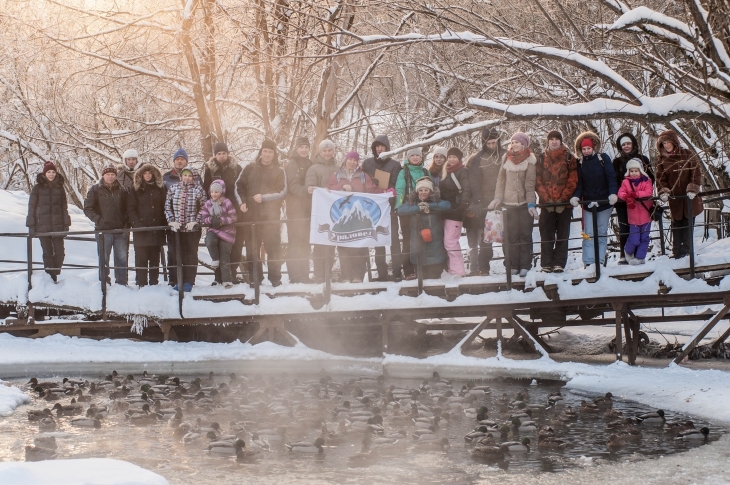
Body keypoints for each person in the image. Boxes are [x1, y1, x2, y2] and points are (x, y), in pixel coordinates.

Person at [327, 151, 384, 283]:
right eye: (350, 159)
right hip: (342, 216)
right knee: (343, 246)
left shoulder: (363, 176)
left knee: (360, 245)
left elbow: (372, 190)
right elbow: (328, 189)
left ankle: (358, 276)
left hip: (360, 215)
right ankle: (346, 276)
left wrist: (386, 192)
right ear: (345, 160)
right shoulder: (337, 175)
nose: (352, 162)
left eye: (355, 160)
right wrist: (342, 186)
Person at [237, 138, 287, 287]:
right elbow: (239, 186)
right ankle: (255, 278)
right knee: (252, 248)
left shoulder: (279, 171)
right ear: (261, 152)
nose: (267, 154)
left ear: (274, 154)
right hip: (251, 216)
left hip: (271, 217)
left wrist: (264, 198)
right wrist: (242, 202)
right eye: (265, 151)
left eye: (270, 152)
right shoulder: (250, 168)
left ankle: (275, 278)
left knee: (273, 248)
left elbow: (283, 191)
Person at [488, 132, 538, 277]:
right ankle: (512, 265)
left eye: (518, 142)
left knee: (525, 235)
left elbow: (530, 184)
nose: (515, 144)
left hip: (523, 204)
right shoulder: (506, 158)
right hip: (508, 205)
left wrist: (531, 204)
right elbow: (500, 180)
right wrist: (497, 197)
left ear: (524, 144)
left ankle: (525, 265)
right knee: (511, 236)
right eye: (513, 142)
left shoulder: (530, 160)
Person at [570, 132, 618, 267]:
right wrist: (576, 196)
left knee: (602, 232)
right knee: (587, 233)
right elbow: (580, 183)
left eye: (588, 148)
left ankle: (600, 260)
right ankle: (589, 261)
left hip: (605, 202)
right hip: (588, 203)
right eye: (583, 149)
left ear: (593, 147)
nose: (586, 151)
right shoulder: (580, 163)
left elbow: (611, 177)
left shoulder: (603, 158)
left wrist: (613, 193)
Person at [655, 130, 703, 259]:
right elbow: (661, 179)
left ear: (674, 142)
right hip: (675, 199)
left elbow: (696, 173)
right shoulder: (662, 160)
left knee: (688, 225)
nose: (666, 145)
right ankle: (676, 253)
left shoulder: (687, 154)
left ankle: (687, 254)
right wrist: (664, 191)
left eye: (668, 142)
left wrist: (693, 188)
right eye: (663, 143)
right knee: (676, 225)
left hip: (689, 198)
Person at [535, 131, 578, 273]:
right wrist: (546, 200)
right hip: (546, 204)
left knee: (562, 234)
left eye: (556, 139)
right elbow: (537, 180)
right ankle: (546, 264)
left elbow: (573, 180)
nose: (554, 142)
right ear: (548, 141)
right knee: (546, 234)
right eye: (551, 139)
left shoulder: (569, 158)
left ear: (561, 141)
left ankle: (559, 263)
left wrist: (562, 199)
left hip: (564, 205)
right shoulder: (541, 159)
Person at [362, 135, 402, 281]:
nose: (379, 149)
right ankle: (382, 273)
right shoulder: (367, 163)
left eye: (382, 146)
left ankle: (397, 272)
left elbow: (396, 184)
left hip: (389, 206)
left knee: (394, 240)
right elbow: (361, 180)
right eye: (377, 146)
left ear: (387, 148)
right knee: (377, 239)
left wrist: (389, 191)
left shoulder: (395, 164)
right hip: (373, 207)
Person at [83, 162, 130, 286]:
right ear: (103, 175)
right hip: (103, 230)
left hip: (120, 230)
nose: (110, 177)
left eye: (113, 174)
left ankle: (122, 283)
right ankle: (104, 283)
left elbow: (128, 208)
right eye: (108, 174)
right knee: (104, 258)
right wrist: (99, 220)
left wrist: (125, 220)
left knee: (122, 258)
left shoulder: (122, 190)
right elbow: (88, 208)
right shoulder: (95, 190)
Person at [204, 142, 244, 284]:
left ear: (228, 154)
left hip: (233, 211)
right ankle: (218, 278)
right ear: (215, 155)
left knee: (233, 245)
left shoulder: (236, 168)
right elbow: (206, 190)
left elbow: (241, 187)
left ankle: (231, 275)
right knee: (216, 243)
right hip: (216, 211)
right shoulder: (210, 169)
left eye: (224, 153)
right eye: (219, 154)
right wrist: (210, 212)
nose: (221, 156)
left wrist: (239, 208)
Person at [467, 127, 505, 276]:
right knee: (486, 237)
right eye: (488, 143)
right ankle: (484, 268)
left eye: (493, 142)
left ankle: (510, 265)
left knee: (507, 234)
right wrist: (477, 201)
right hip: (485, 202)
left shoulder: (504, 155)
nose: (491, 146)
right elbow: (474, 181)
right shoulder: (478, 158)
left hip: (503, 199)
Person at [396, 177, 451, 279]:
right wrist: (418, 208)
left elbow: (447, 205)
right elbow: (400, 210)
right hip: (418, 239)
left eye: (426, 190)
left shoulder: (437, 201)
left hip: (435, 239)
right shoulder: (412, 202)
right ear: (417, 192)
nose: (423, 192)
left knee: (435, 273)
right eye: (420, 190)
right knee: (421, 271)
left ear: (430, 191)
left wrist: (430, 206)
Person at [612, 133, 654, 264]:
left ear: (633, 144)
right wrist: (622, 195)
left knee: (642, 228)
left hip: (641, 202)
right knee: (624, 226)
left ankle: (638, 256)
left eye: (628, 143)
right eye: (623, 144)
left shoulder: (644, 159)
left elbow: (651, 179)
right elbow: (614, 180)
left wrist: (639, 194)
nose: (626, 146)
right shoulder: (617, 162)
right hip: (623, 200)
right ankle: (624, 255)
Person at [162, 148, 202, 287]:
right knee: (175, 253)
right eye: (184, 175)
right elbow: (167, 205)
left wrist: (196, 221)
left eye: (189, 175)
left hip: (192, 229)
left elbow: (204, 206)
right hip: (176, 228)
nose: (187, 178)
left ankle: (189, 281)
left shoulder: (198, 189)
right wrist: (171, 220)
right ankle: (175, 280)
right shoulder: (173, 188)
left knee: (190, 254)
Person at [26, 161, 71, 283]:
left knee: (60, 253)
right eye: (49, 172)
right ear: (44, 173)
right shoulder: (37, 188)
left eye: (53, 172)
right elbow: (32, 207)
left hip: (58, 225)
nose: (51, 174)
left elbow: (64, 207)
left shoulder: (60, 188)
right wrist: (31, 225)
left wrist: (66, 224)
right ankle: (51, 279)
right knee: (47, 253)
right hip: (42, 225)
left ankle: (54, 272)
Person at [127, 164, 167, 287]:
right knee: (141, 258)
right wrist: (137, 224)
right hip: (141, 229)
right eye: (145, 173)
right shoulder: (135, 189)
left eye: (150, 173)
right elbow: (131, 208)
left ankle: (154, 283)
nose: (148, 175)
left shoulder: (161, 188)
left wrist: (164, 223)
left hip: (157, 228)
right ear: (141, 175)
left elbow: (165, 205)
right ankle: (141, 283)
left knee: (155, 259)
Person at [305, 139, 339, 283]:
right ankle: (319, 274)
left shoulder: (338, 168)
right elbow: (310, 186)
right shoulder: (313, 168)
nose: (327, 153)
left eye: (329, 150)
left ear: (333, 152)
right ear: (320, 152)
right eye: (324, 150)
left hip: (335, 212)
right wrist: (312, 189)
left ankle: (328, 272)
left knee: (331, 242)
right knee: (319, 243)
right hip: (320, 211)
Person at [395, 148, 431, 280]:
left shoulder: (425, 171)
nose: (415, 158)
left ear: (421, 158)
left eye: (418, 155)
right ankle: (409, 270)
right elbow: (399, 190)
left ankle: (424, 268)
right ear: (408, 158)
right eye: (413, 156)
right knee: (408, 240)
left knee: (424, 237)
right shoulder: (403, 172)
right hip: (408, 209)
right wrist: (399, 206)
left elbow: (431, 188)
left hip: (424, 209)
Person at [438, 147, 472, 276]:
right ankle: (450, 270)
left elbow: (467, 189)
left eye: (454, 157)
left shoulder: (462, 171)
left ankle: (458, 272)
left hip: (456, 212)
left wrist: (463, 206)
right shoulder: (445, 171)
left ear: (459, 159)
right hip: (445, 211)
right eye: (450, 157)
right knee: (446, 242)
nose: (451, 159)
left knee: (450, 242)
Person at [284, 136, 313, 283]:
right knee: (295, 243)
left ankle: (305, 274)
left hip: (308, 210)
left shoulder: (309, 163)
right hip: (295, 210)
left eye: (306, 147)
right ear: (296, 148)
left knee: (306, 243)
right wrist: (307, 191)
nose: (304, 150)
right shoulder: (292, 164)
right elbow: (292, 186)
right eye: (301, 147)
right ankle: (295, 276)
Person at [200, 180, 238, 288]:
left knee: (225, 256)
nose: (214, 194)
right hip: (214, 230)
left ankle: (227, 281)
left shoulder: (227, 202)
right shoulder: (208, 203)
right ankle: (215, 258)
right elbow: (204, 218)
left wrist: (221, 220)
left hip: (227, 231)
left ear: (221, 192)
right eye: (212, 192)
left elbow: (234, 217)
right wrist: (211, 220)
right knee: (209, 240)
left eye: (216, 192)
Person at [617, 159, 654, 265]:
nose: (634, 173)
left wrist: (636, 194)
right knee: (634, 239)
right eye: (631, 171)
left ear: (640, 170)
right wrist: (627, 197)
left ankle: (640, 258)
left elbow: (648, 191)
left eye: (636, 171)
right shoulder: (625, 182)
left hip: (646, 215)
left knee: (644, 238)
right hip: (633, 217)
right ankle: (628, 251)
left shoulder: (646, 180)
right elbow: (620, 192)